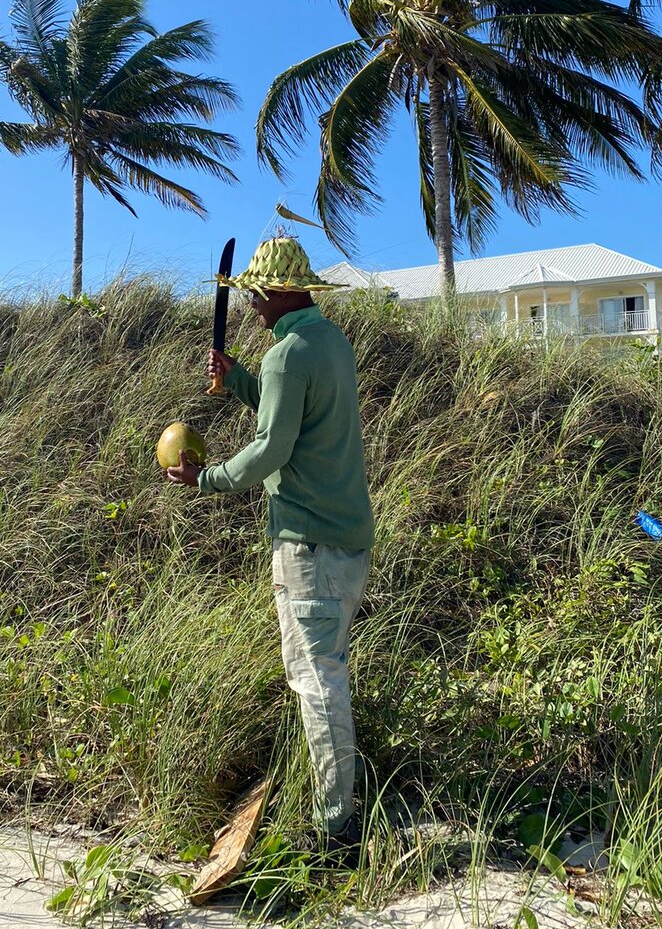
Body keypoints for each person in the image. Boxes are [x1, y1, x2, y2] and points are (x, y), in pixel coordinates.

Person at [165, 236, 375, 864]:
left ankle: (338, 829)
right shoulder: (329, 343)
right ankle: (339, 808)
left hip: (310, 544)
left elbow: (271, 451)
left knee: (316, 683)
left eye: (255, 294)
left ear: (278, 292)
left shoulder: (288, 355)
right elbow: (299, 416)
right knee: (325, 673)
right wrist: (241, 383)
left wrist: (206, 478)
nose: (251, 305)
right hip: (348, 538)